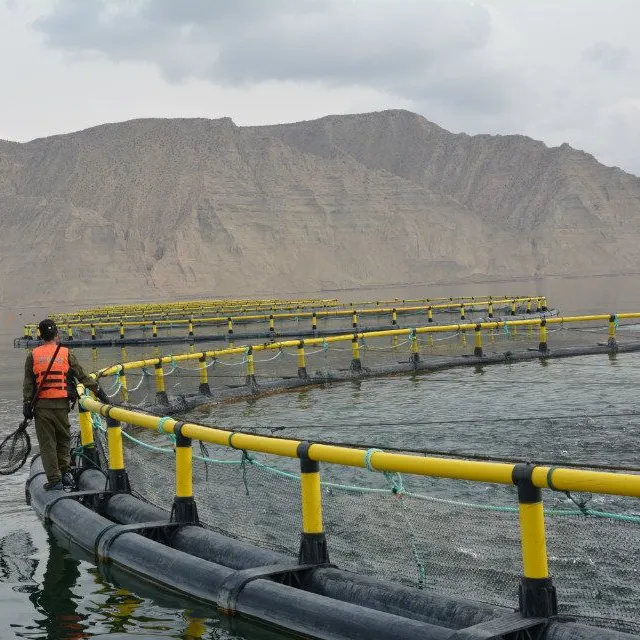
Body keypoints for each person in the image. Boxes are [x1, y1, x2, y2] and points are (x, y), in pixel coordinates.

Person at [23, 318, 109, 491]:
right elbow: (83, 377)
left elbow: (28, 383)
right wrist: (100, 394)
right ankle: (65, 474)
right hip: (61, 405)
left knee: (48, 444)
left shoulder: (33, 355)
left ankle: (54, 480)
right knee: (63, 440)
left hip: (42, 407)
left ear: (40, 335)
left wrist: (26, 404)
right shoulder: (66, 353)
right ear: (56, 334)